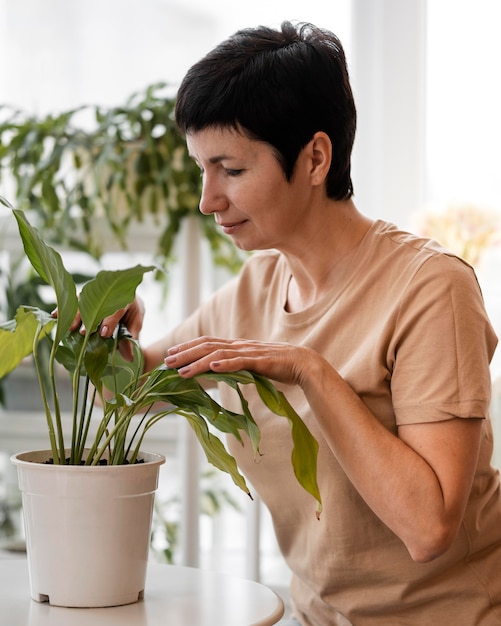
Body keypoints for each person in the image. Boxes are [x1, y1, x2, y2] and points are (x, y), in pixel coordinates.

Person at [97, 21, 501, 625]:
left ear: (315, 158)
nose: (208, 200)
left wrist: (309, 369)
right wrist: (111, 334)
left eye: (230, 170)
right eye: (201, 169)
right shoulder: (257, 288)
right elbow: (126, 393)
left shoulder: (431, 289)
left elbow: (429, 526)